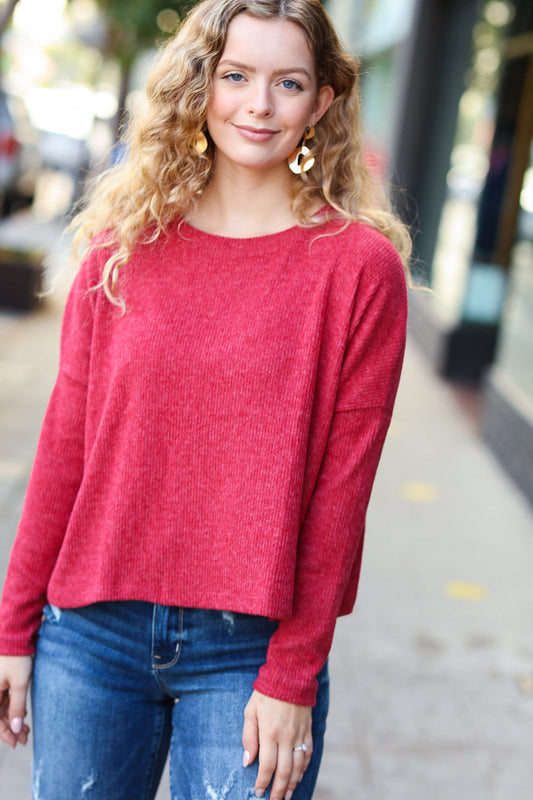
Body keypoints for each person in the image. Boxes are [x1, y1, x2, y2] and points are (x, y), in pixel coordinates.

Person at [0, 1, 411, 798]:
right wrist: (14, 626)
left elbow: (340, 492)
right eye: (235, 76)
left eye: (287, 82)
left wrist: (294, 672)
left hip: (249, 652)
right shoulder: (121, 249)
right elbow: (64, 446)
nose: (258, 104)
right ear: (201, 85)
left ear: (321, 101)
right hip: (89, 635)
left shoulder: (358, 271)